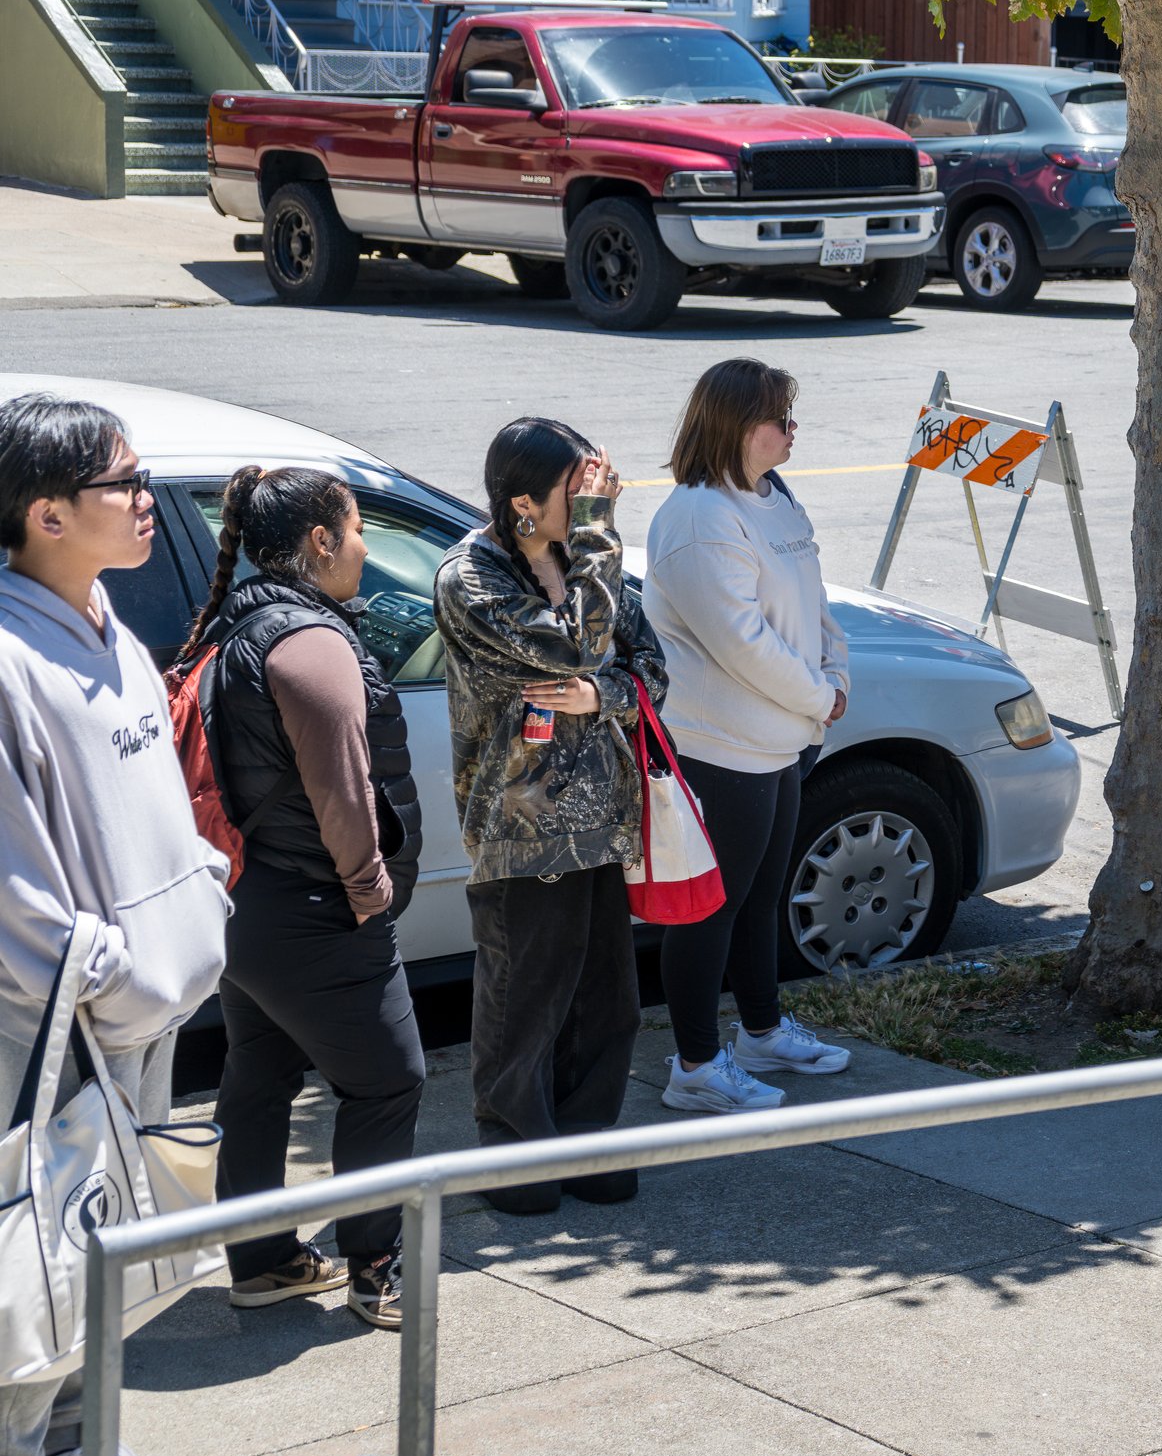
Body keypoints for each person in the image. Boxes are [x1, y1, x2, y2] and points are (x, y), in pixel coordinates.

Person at [0, 394, 226, 1456]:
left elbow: (160, 808)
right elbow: (14, 893)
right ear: (45, 512)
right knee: (33, 1262)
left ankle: (83, 1455)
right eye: (125, 485)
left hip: (144, 1016)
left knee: (113, 1253)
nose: (149, 501)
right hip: (52, 1040)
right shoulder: (6, 658)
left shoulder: (110, 623)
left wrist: (203, 898)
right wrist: (112, 976)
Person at [174, 466, 425, 1332]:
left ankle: (264, 1260)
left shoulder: (233, 626)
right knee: (391, 1080)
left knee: (260, 1073)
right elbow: (344, 794)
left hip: (246, 907)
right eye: (357, 532)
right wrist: (370, 893)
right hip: (319, 910)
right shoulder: (311, 642)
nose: (364, 549)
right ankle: (376, 1268)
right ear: (320, 541)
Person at [434, 419, 665, 1215]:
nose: (599, 499)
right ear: (525, 503)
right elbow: (570, 649)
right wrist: (600, 537)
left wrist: (608, 695)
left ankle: (588, 1141)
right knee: (522, 1000)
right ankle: (516, 1158)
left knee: (608, 1000)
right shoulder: (471, 578)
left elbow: (648, 666)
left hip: (603, 818)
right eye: (581, 490)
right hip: (519, 824)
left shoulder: (583, 561)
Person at [643, 359, 853, 1113]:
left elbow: (811, 600)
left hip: (783, 738)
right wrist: (819, 692)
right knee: (711, 907)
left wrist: (836, 670)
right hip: (721, 746)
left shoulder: (774, 495)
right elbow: (742, 641)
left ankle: (761, 1031)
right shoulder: (699, 517)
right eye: (779, 419)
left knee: (761, 897)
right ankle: (695, 1064)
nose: (792, 432)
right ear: (735, 425)